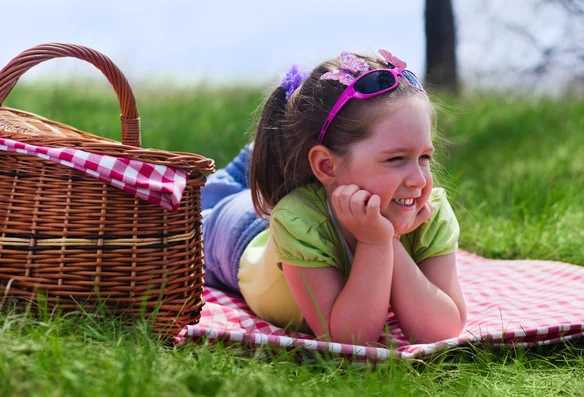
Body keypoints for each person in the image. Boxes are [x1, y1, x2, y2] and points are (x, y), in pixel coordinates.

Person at [200, 49, 466, 346]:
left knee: (251, 192)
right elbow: (350, 338)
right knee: (199, 213)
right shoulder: (297, 219)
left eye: (425, 156)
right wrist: (375, 242)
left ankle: (261, 161)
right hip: (237, 238)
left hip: (284, 214)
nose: (419, 179)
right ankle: (248, 163)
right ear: (327, 166)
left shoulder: (430, 213)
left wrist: (389, 240)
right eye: (396, 159)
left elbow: (444, 329)